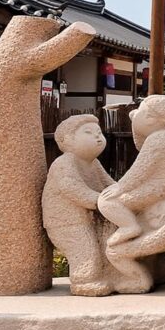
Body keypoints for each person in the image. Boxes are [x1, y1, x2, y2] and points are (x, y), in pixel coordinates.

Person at [98, 95, 165, 246]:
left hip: (162, 188)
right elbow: (140, 146)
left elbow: (140, 170)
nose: (134, 113)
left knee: (107, 201)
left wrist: (121, 187)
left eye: (140, 111)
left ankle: (129, 226)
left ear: (149, 118)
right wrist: (136, 123)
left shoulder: (157, 139)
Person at [42, 115, 117, 296]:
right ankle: (83, 280)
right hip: (66, 222)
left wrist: (122, 195)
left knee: (107, 239)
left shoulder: (94, 163)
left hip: (89, 218)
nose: (98, 137)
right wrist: (101, 201)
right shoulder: (64, 163)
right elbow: (73, 190)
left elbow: (110, 185)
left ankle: (113, 275)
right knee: (84, 248)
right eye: (88, 133)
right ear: (67, 140)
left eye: (99, 133)